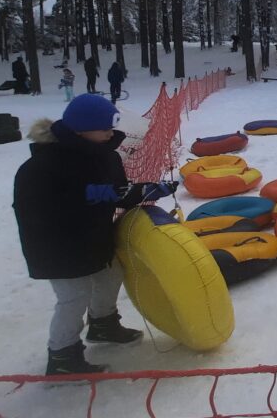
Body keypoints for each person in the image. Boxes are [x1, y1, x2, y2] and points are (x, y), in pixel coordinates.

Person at [13, 93, 178, 374]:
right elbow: (56, 203)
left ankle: (103, 324)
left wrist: (145, 190)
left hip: (92, 234)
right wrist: (99, 196)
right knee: (74, 296)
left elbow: (116, 192)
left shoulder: (105, 155)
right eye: (103, 129)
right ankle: (62, 355)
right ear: (80, 129)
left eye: (110, 127)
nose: (110, 133)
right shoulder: (45, 165)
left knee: (111, 273)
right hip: (56, 244)